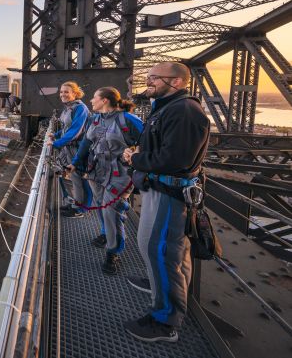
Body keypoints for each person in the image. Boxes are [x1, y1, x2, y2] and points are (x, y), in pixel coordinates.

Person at [122, 62, 210, 343]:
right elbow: (163, 148)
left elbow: (176, 160)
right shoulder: (169, 107)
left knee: (160, 250)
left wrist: (135, 159)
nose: (148, 82)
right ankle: (159, 281)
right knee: (168, 252)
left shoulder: (184, 111)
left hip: (169, 194)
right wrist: (141, 152)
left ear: (176, 82)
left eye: (154, 78)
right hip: (161, 189)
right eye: (148, 77)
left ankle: (165, 321)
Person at [68, 87, 143, 275]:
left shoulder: (129, 120)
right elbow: (86, 142)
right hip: (97, 170)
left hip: (120, 174)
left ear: (105, 100)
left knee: (112, 211)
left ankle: (113, 252)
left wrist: (136, 154)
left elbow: (150, 142)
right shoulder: (96, 119)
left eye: (94, 98)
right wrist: (75, 163)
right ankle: (105, 233)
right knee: (101, 204)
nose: (91, 101)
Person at [47, 81, 91, 218]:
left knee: (80, 179)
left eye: (66, 92)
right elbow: (67, 128)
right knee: (75, 178)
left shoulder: (80, 108)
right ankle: (76, 205)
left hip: (79, 148)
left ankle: (81, 210)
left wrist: (56, 143)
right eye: (61, 92)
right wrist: (56, 135)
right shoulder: (68, 108)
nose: (63, 94)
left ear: (75, 93)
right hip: (70, 147)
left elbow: (75, 131)